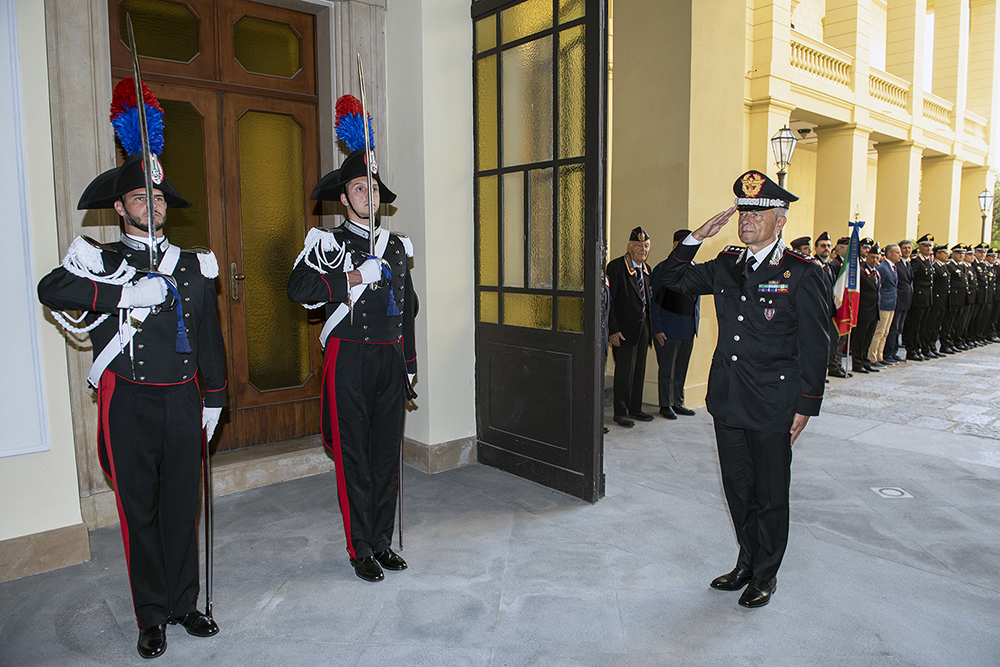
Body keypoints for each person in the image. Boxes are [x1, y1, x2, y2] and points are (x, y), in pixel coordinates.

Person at [36, 80, 225, 660]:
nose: (155, 204)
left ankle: (185, 603)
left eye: (160, 197)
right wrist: (122, 297)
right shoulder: (99, 258)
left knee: (180, 506)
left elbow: (212, 338)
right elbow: (51, 287)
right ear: (119, 207)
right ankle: (150, 614)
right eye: (142, 198)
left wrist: (215, 398)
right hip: (129, 399)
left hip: (182, 399)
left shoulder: (194, 265)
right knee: (137, 508)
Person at [659, 170, 829, 608]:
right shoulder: (726, 264)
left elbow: (815, 344)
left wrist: (806, 405)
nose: (748, 218)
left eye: (759, 211)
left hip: (774, 403)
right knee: (738, 489)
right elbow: (668, 281)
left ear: (781, 219)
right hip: (728, 399)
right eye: (744, 210)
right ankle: (746, 561)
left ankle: (766, 575)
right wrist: (696, 237)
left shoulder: (801, 272)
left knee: (770, 494)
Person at [287, 101, 416, 583]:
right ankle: (359, 546)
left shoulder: (398, 246)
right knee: (354, 457)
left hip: (388, 358)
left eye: (375, 188)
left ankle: (382, 542)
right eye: (361, 188)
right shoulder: (327, 243)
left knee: (386, 454)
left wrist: (409, 362)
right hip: (347, 356)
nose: (369, 195)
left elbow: (409, 308)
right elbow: (297, 291)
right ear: (344, 198)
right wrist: (353, 277)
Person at [650, 229, 700, 419]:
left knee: (681, 367)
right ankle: (665, 404)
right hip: (668, 329)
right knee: (667, 369)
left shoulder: (696, 268)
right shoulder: (663, 269)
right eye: (682, 245)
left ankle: (677, 401)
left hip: (688, 327)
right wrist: (657, 329)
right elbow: (655, 302)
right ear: (675, 246)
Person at [607, 227, 654, 427]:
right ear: (629, 247)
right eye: (638, 245)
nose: (642, 249)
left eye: (646, 246)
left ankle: (635, 408)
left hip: (643, 326)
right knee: (624, 372)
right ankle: (621, 411)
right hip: (623, 330)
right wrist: (613, 330)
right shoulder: (616, 267)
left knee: (639, 370)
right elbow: (610, 302)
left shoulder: (647, 269)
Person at [853, 239, 881, 373]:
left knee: (868, 339)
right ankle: (857, 363)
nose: (875, 260)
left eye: (877, 257)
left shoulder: (876, 273)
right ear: (867, 257)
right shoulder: (861, 271)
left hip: (874, 311)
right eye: (872, 257)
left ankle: (865, 360)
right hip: (863, 311)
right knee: (860, 338)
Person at [906, 234, 934, 360]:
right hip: (919, 298)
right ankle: (912, 350)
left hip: (927, 298)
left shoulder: (928, 261)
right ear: (920, 247)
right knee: (915, 326)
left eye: (930, 246)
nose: (928, 248)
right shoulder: (917, 261)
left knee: (922, 325)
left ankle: (919, 348)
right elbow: (911, 278)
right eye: (926, 246)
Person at [871, 243, 900, 366]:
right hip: (884, 303)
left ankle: (880, 355)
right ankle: (872, 356)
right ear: (889, 254)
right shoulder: (883, 267)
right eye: (897, 252)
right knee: (879, 331)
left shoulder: (893, 267)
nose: (900, 255)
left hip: (891, 303)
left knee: (885, 332)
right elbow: (878, 286)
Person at [885, 240, 913, 362]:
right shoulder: (896, 265)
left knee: (898, 328)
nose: (905, 251)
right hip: (897, 300)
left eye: (909, 248)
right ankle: (888, 353)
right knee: (892, 328)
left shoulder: (907, 263)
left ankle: (894, 351)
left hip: (905, 301)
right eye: (903, 249)